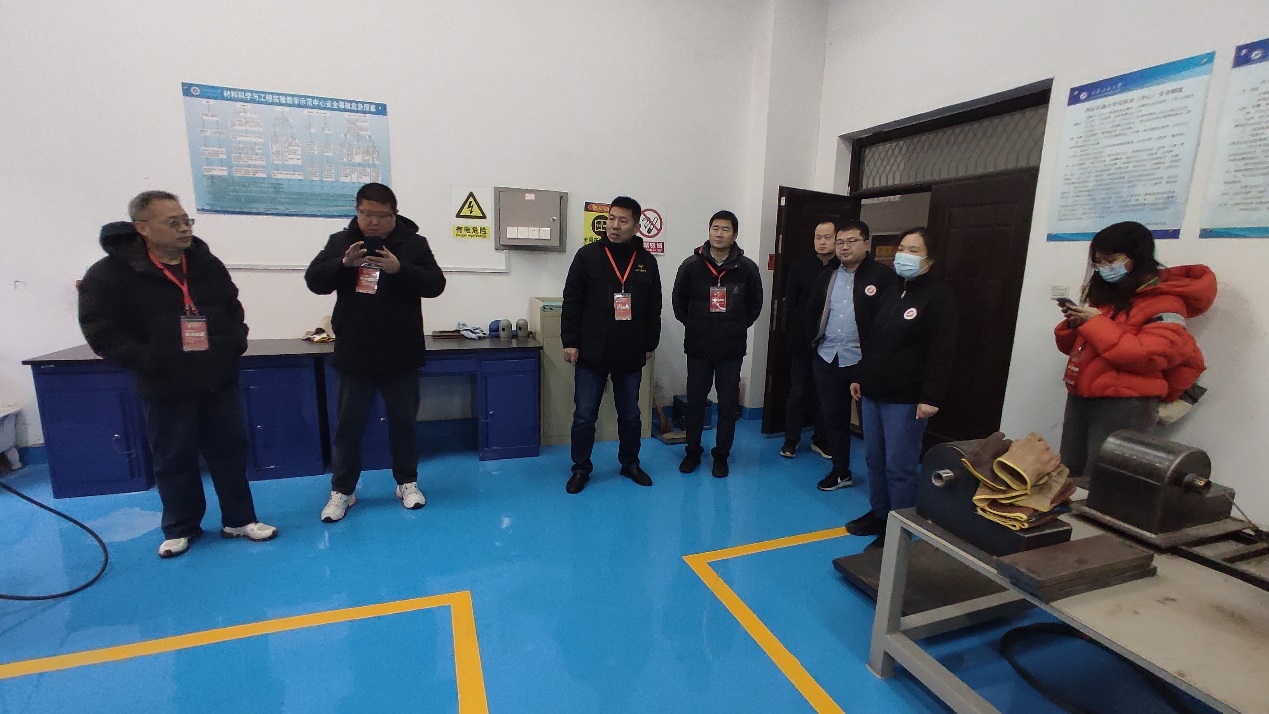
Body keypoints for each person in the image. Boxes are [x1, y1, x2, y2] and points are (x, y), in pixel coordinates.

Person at [78, 191, 277, 558]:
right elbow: (101, 330)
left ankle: (239, 519)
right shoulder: (109, 274)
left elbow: (232, 309)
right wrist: (148, 360)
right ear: (143, 228)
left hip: (216, 376)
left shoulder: (205, 264)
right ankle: (181, 527)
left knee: (230, 450)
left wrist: (233, 343)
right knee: (173, 457)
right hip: (164, 382)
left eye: (187, 221)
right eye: (173, 223)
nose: (185, 229)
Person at [305, 183, 446, 522]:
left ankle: (407, 483)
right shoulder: (341, 242)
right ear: (357, 211)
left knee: (403, 423)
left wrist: (401, 269)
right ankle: (343, 489)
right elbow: (314, 281)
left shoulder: (414, 244)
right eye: (366, 214)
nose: (373, 222)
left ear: (394, 215)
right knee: (349, 426)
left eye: (381, 216)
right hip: (355, 353)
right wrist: (344, 264)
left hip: (401, 353)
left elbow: (436, 284)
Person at [1055, 221, 1215, 481]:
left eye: (1111, 260)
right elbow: (1073, 348)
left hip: (1125, 404)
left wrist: (1095, 323)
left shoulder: (1166, 302)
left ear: (1137, 257)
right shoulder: (1108, 297)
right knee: (1068, 473)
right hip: (1082, 397)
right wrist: (1074, 324)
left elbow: (1148, 356)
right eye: (1098, 262)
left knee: (1104, 479)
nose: (1104, 268)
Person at [846, 227, 957, 541]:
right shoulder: (892, 289)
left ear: (930, 259)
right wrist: (860, 375)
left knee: (900, 466)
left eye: (914, 251)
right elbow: (874, 339)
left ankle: (899, 528)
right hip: (873, 391)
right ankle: (879, 513)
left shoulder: (939, 298)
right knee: (874, 459)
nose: (904, 256)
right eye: (902, 249)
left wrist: (931, 396)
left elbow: (941, 351)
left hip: (906, 398)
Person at [561, 196, 662, 494]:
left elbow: (653, 307)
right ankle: (581, 468)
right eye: (611, 218)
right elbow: (572, 301)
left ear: (636, 226)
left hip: (630, 351)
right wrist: (570, 341)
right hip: (592, 350)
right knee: (584, 416)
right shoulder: (587, 256)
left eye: (623, 220)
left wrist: (650, 343)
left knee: (630, 414)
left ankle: (630, 463)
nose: (614, 226)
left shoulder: (646, 262)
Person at [671, 210, 764, 478]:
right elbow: (679, 304)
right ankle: (692, 452)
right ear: (709, 231)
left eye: (725, 229)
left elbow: (754, 306)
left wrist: (734, 327)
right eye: (715, 228)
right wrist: (697, 326)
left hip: (731, 349)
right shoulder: (691, 265)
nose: (719, 233)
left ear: (735, 235)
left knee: (727, 406)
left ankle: (721, 455)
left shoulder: (747, 268)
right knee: (695, 404)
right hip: (698, 347)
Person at [806, 220, 893, 492]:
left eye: (852, 241)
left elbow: (887, 324)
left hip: (865, 363)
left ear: (867, 243)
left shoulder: (883, 277)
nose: (844, 247)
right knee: (833, 418)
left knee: (873, 427)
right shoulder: (828, 275)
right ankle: (841, 471)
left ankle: (883, 483)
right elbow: (812, 311)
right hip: (828, 357)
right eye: (840, 242)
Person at [780, 220, 838, 460]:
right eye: (818, 237)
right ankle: (791, 439)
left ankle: (821, 439)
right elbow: (790, 304)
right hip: (802, 342)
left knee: (825, 393)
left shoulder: (842, 269)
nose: (822, 242)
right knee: (798, 391)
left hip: (831, 343)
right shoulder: (800, 267)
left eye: (827, 237)